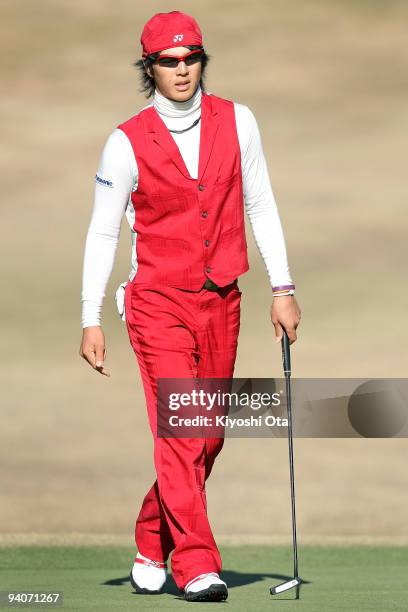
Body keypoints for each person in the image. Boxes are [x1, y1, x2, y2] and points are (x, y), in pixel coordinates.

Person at [79, 10, 301, 603]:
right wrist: (89, 316)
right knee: (183, 430)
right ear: (148, 67)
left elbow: (261, 205)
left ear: (202, 59)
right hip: (156, 302)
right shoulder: (125, 140)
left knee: (207, 436)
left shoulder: (239, 122)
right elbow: (103, 233)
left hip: (222, 298)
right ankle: (198, 564)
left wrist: (283, 289)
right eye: (168, 62)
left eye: (190, 58)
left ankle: (153, 538)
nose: (181, 70)